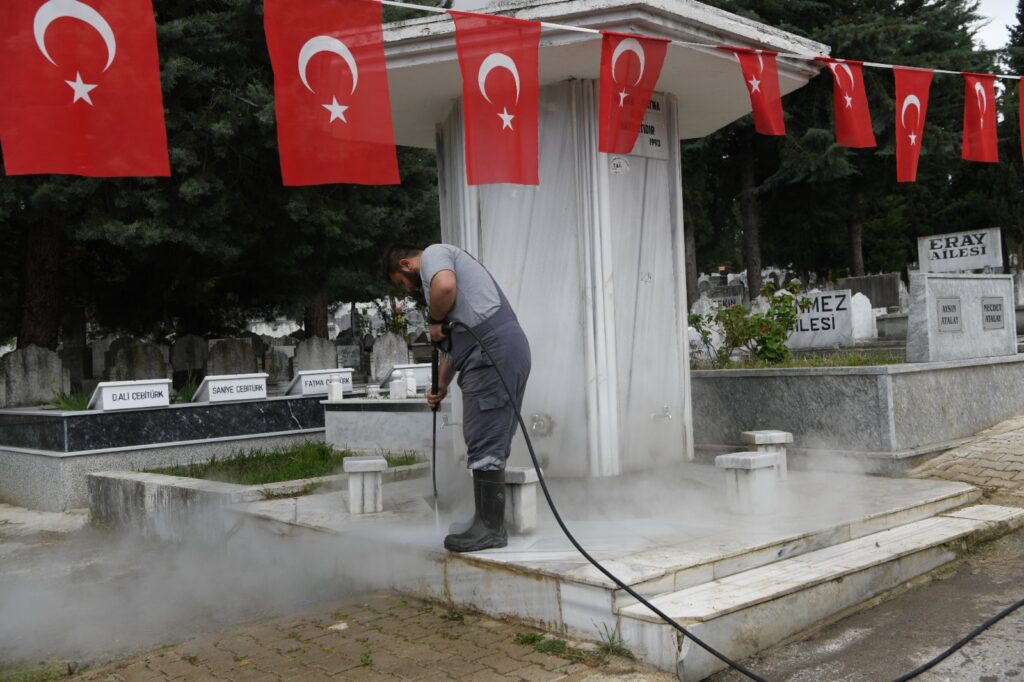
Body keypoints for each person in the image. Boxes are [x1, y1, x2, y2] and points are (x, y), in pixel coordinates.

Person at [382, 244, 531, 552]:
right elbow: (455, 348)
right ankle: (486, 521)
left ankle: (490, 528)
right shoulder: (441, 294)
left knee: (485, 435)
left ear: (407, 264)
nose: (407, 289)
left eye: (400, 282)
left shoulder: (434, 256)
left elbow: (445, 286)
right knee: (486, 435)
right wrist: (440, 386)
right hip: (492, 352)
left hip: (493, 352)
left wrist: (434, 321)